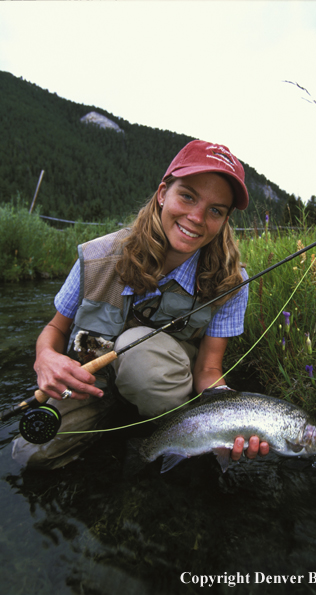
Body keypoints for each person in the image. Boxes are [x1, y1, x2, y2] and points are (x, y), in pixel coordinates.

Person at [12, 140, 269, 469]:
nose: (197, 217)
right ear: (163, 193)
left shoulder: (230, 284)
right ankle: (117, 417)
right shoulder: (97, 257)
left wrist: (234, 420)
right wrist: (45, 357)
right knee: (30, 455)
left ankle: (168, 427)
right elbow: (56, 329)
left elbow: (208, 369)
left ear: (224, 220)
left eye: (215, 210)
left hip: (166, 390)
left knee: (136, 351)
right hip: (94, 383)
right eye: (187, 196)